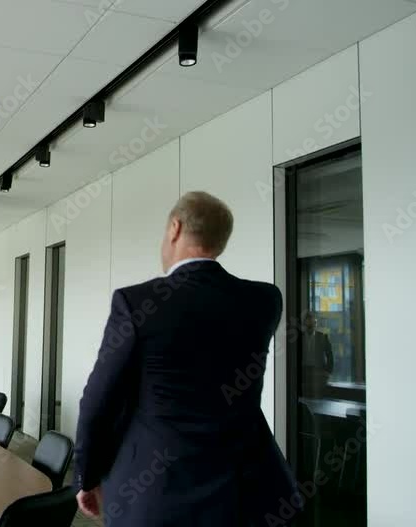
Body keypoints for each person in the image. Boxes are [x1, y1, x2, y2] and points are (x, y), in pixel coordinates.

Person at [74, 191, 297, 526]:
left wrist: (85, 477)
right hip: (245, 495)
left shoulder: (136, 303)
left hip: (155, 495)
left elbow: (97, 402)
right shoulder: (265, 300)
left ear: (175, 229)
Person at [301, 311, 334, 396]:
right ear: (304, 324)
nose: (310, 327)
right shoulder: (299, 338)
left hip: (318, 371)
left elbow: (330, 356)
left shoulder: (323, 337)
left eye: (312, 324)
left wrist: (328, 372)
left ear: (315, 324)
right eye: (308, 325)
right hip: (304, 371)